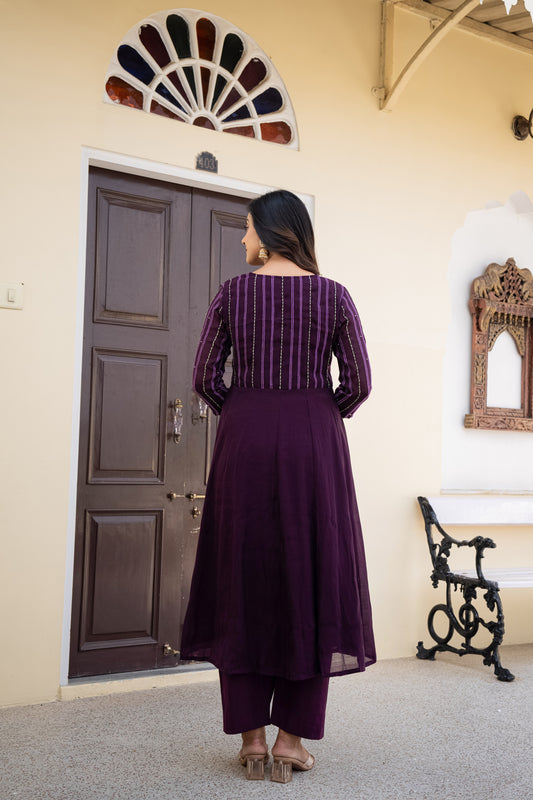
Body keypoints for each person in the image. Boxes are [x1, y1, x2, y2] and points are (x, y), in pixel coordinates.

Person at [180, 189, 376, 783]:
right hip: (315, 443)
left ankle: (251, 740)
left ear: (268, 235)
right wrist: (318, 413)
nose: (243, 239)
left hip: (245, 439)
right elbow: (359, 383)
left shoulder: (233, 294)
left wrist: (247, 411)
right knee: (310, 575)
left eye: (247, 229)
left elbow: (204, 377)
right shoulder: (334, 296)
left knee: (241, 573)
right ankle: (291, 742)